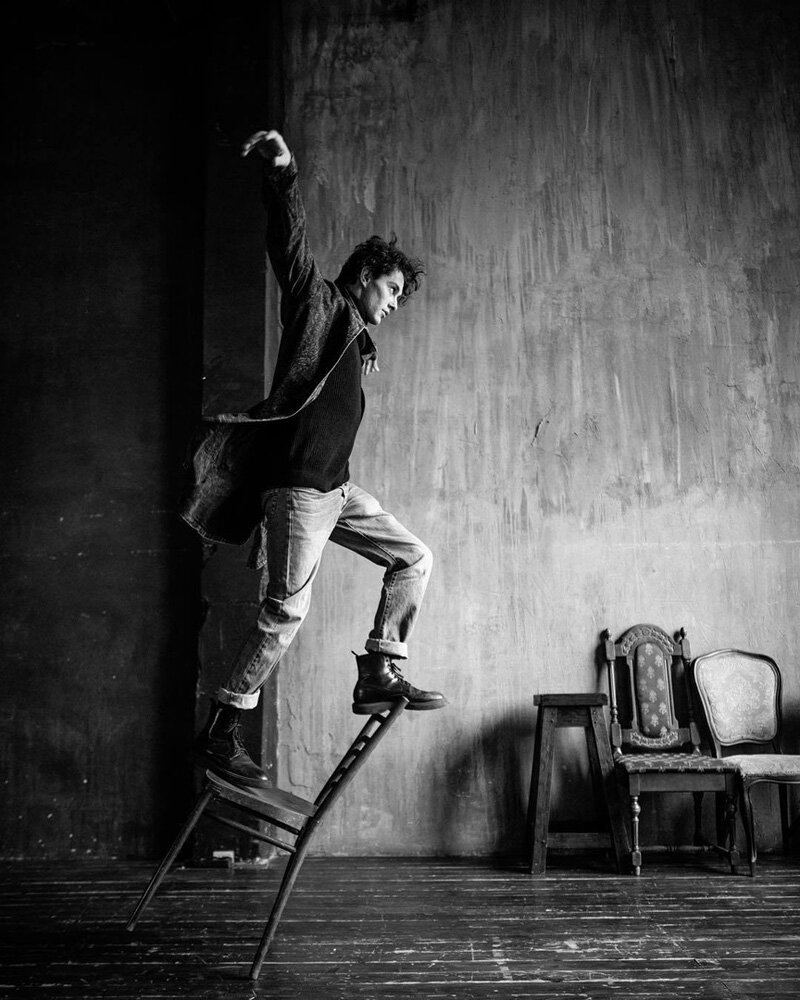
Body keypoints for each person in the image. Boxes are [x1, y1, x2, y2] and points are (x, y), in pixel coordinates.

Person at [181, 129, 447, 789]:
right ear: (362, 276)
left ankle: (379, 668)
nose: (394, 305)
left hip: (337, 492)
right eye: (390, 290)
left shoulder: (353, 337)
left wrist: (364, 346)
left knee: (414, 558)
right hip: (299, 493)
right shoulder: (319, 305)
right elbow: (291, 250)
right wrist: (283, 175)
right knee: (286, 612)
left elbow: (349, 355)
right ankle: (222, 727)